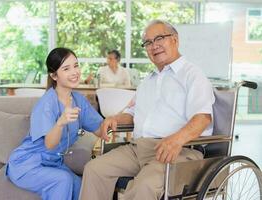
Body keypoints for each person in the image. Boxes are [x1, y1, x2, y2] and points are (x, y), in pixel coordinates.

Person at [79, 20, 215, 200]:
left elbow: (203, 118)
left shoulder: (192, 75)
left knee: (145, 185)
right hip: (138, 149)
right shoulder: (147, 80)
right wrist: (116, 119)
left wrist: (176, 140)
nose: (154, 46)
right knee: (95, 169)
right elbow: (133, 113)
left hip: (178, 150)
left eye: (159, 38)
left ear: (175, 39)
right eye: (148, 42)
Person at [6, 47, 103, 200]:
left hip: (53, 163)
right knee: (63, 181)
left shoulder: (79, 100)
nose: (74, 72)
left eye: (76, 65)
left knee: (82, 187)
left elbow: (100, 129)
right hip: (27, 164)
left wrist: (123, 113)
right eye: (66, 68)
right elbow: (50, 144)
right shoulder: (46, 104)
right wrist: (60, 122)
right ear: (54, 75)